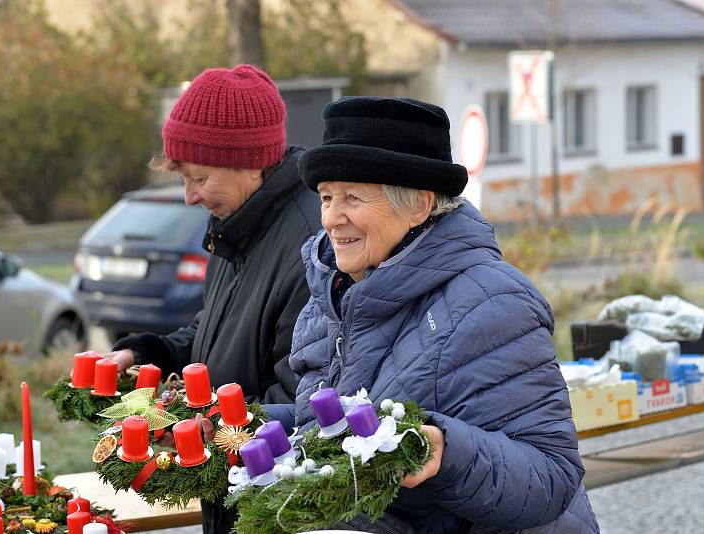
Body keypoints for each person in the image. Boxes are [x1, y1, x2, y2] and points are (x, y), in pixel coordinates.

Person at [269, 96, 600, 533]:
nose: (331, 218)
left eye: (353, 197)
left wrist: (446, 453)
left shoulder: (493, 303)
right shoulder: (331, 297)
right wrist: (241, 429)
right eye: (327, 197)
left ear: (419, 206)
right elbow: (331, 431)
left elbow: (550, 476)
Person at [101, 65, 322, 534]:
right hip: (226, 493)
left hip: (270, 506)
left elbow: (302, 399)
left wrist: (210, 433)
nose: (189, 197)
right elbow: (215, 329)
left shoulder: (308, 247)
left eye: (199, 178)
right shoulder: (237, 225)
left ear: (250, 163)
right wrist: (146, 353)